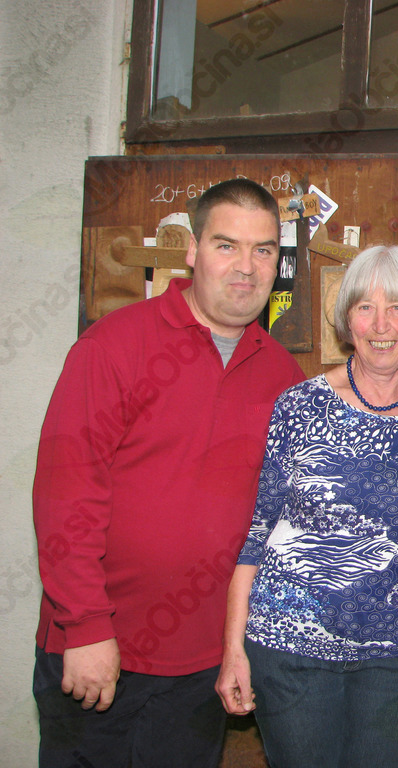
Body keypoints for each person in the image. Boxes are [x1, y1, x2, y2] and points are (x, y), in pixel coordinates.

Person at [32, 178, 306, 768]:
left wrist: (243, 645)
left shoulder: (283, 376)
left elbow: (281, 525)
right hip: (102, 650)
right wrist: (84, 626)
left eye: (263, 250)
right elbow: (66, 493)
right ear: (192, 250)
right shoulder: (115, 345)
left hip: (202, 666)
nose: (246, 266)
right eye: (226, 245)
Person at [215, 245, 398, 767]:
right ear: (347, 320)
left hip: (397, 657)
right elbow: (256, 533)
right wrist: (233, 649)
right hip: (290, 648)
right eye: (365, 307)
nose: (381, 324)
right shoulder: (299, 406)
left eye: (397, 307)